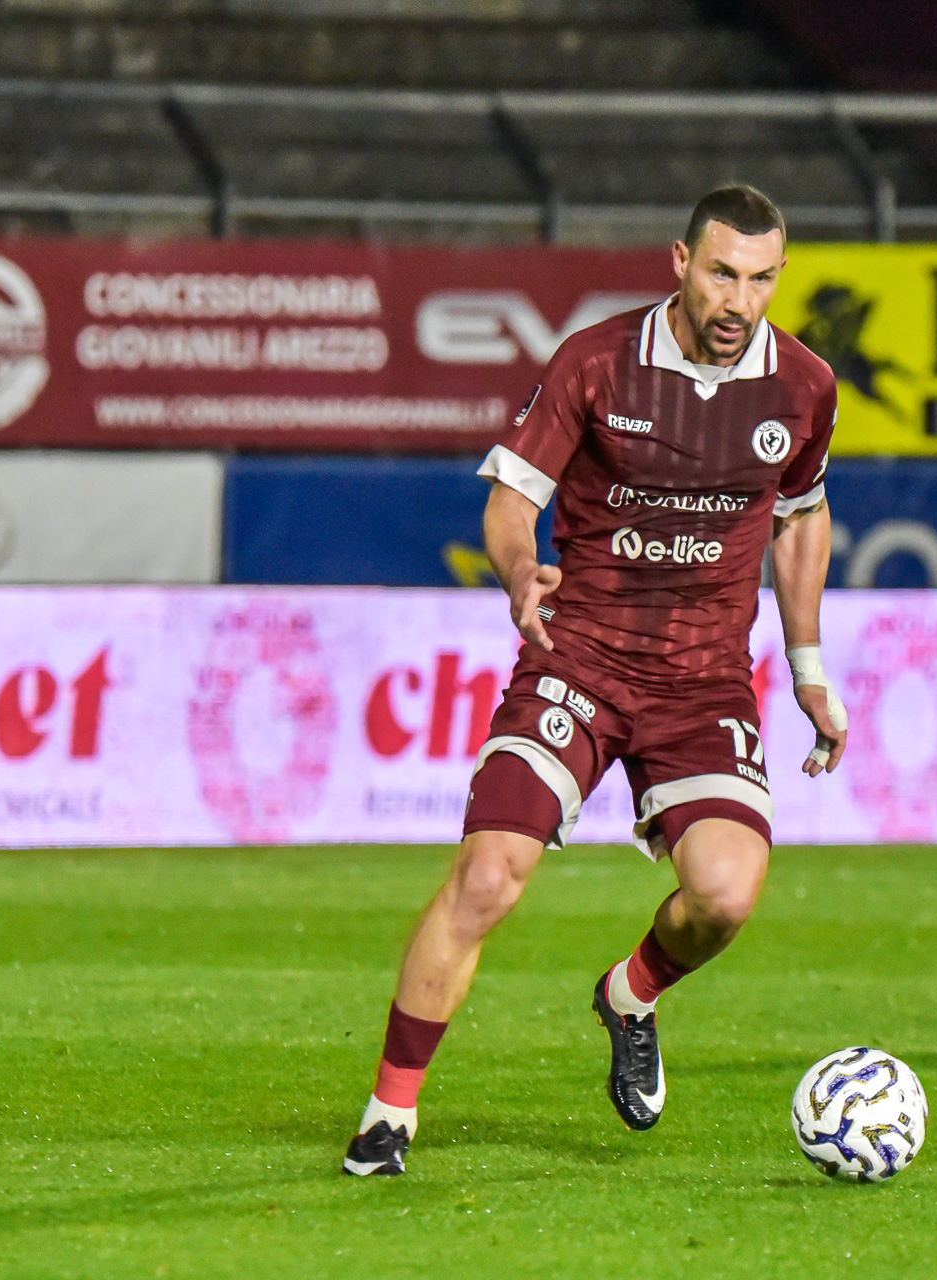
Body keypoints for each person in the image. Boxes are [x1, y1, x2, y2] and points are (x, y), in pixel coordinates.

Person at [344, 184, 848, 1176]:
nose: (739, 300)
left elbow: (803, 516)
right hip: (580, 656)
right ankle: (389, 1112)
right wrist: (516, 576)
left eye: (760, 279)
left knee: (725, 895)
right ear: (680, 263)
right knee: (488, 875)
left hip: (702, 680)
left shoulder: (804, 384)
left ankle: (631, 992)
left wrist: (808, 668)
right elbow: (511, 498)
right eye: (722, 274)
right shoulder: (596, 360)